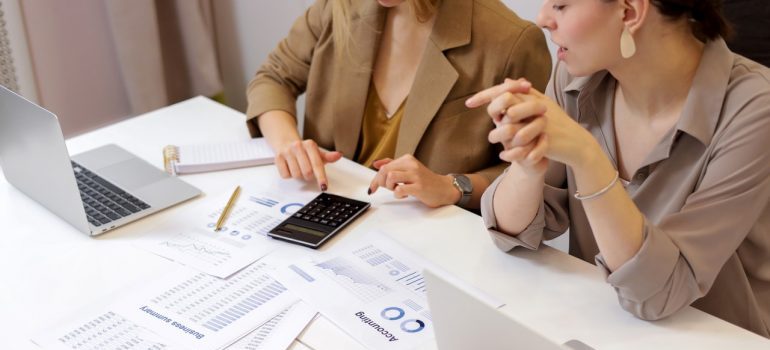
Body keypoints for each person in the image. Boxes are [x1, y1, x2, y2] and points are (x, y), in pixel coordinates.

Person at [467, 0, 770, 337]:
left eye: (561, 5)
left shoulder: (756, 110)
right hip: (603, 327)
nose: (542, 20)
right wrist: (527, 163)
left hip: (715, 337)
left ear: (629, 11)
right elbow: (512, 235)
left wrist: (588, 157)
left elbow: (660, 294)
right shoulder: (576, 77)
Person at [245, 0, 551, 209]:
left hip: (432, 248)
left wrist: (453, 186)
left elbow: (535, 171)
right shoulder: (338, 7)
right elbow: (273, 79)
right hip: (326, 215)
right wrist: (289, 144)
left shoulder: (511, 41)